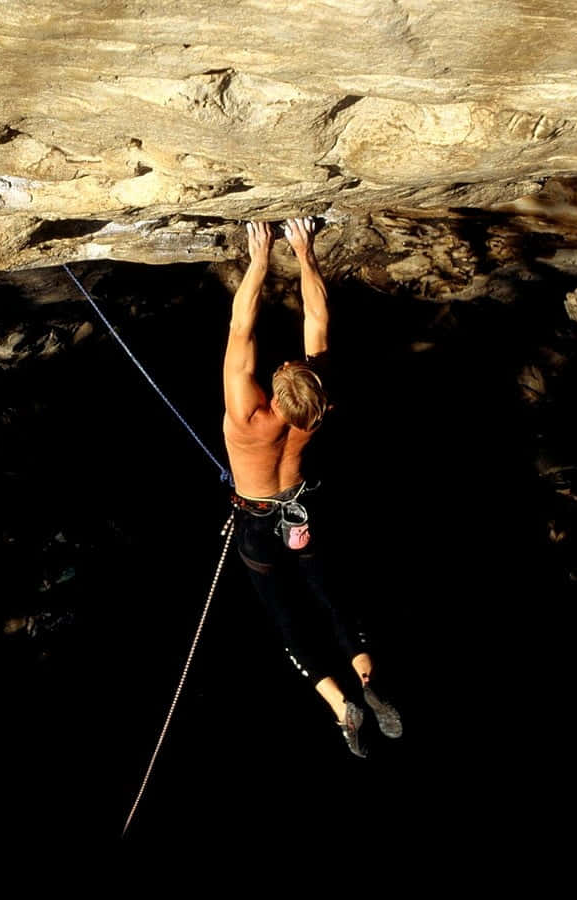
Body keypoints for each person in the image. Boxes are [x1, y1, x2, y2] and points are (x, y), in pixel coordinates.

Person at [222, 216, 401, 758]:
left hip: (257, 524)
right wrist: (305, 251)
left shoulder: (247, 416)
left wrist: (258, 257)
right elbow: (318, 316)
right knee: (331, 598)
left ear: (276, 383)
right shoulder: (317, 414)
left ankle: (337, 703)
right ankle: (366, 680)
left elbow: (240, 329)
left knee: (286, 617)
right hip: (299, 514)